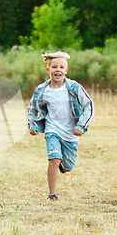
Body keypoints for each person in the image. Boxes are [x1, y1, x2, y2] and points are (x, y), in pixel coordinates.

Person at [27, 51, 94, 201]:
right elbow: (32, 108)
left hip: (71, 133)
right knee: (54, 159)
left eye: (61, 67)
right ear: (48, 70)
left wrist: (81, 126)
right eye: (54, 67)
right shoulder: (42, 90)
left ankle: (63, 167)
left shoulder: (74, 87)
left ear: (66, 70)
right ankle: (52, 194)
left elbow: (89, 105)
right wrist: (32, 124)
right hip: (52, 129)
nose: (58, 70)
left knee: (68, 166)